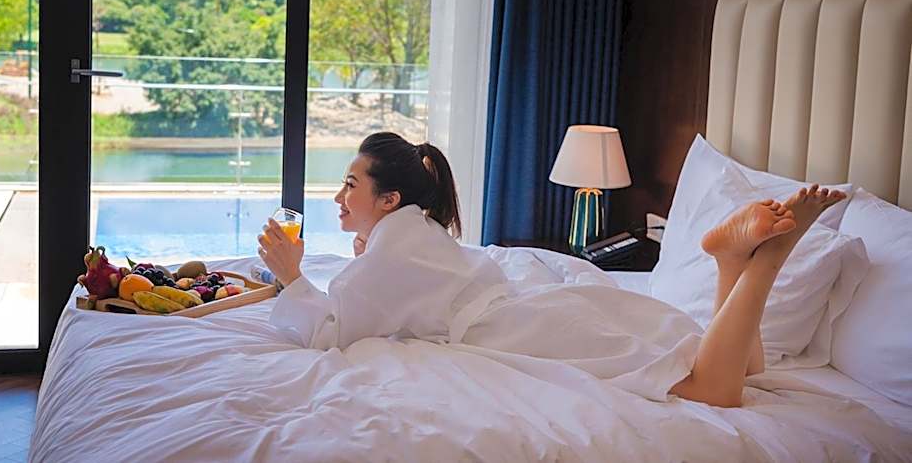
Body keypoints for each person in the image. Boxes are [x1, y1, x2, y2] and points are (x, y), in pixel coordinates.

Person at [258, 132, 845, 408]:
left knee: (713, 389)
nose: (338, 197)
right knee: (745, 366)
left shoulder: (393, 246)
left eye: (350, 185)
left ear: (389, 200)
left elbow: (330, 331)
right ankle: (728, 261)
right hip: (534, 309)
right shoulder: (411, 229)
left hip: (522, 328)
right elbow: (385, 289)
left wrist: (293, 276)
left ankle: (770, 258)